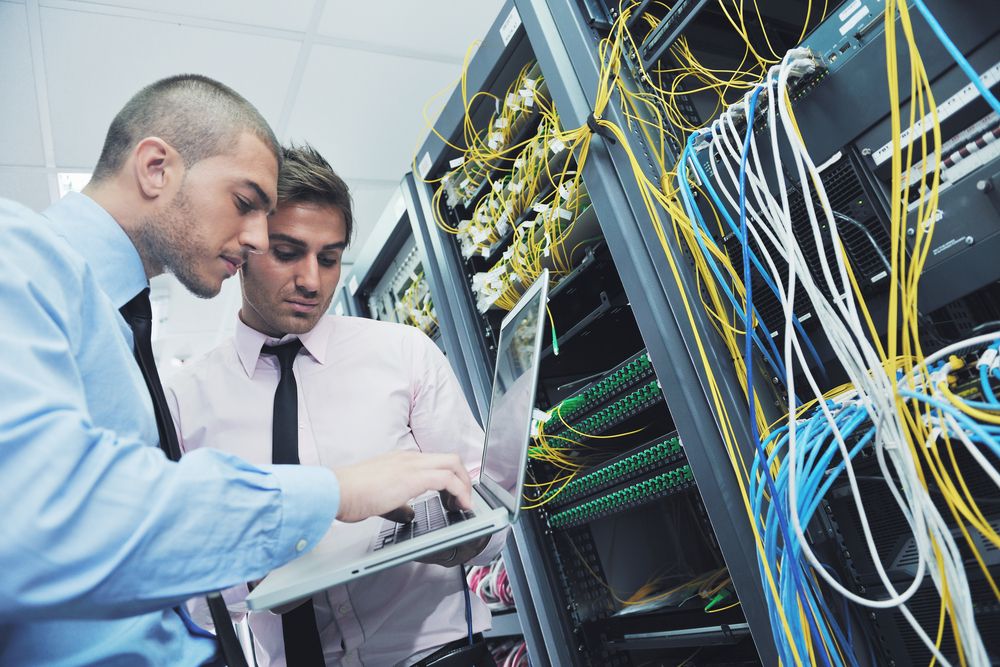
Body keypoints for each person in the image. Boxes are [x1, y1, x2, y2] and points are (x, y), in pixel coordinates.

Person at [0, 74, 473, 666]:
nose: (253, 240)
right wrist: (331, 494)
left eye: (329, 258)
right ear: (155, 168)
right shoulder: (18, 254)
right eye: (246, 205)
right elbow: (36, 520)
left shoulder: (117, 330)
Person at [166, 143, 503, 666]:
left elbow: (493, 507)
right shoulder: (185, 403)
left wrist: (465, 541)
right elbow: (187, 597)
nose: (312, 281)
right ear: (244, 245)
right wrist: (259, 573)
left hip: (437, 653)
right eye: (287, 253)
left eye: (329, 258)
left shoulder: (404, 353)